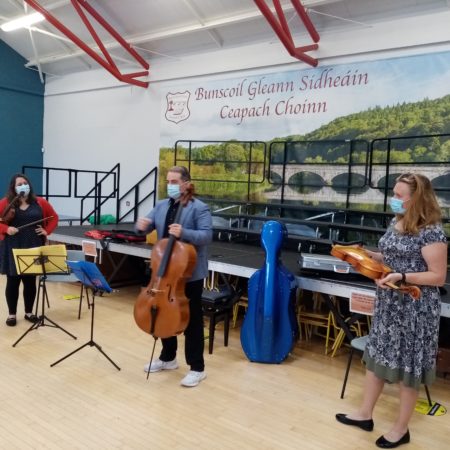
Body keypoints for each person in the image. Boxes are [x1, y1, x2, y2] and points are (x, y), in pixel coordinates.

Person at [336, 173, 447, 448]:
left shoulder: (431, 231)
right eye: (394, 193)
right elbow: (393, 256)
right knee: (378, 356)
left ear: (416, 198)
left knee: (408, 368)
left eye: (399, 195)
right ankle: (364, 414)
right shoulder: (397, 221)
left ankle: (401, 429)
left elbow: (437, 276)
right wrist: (370, 256)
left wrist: (402, 276)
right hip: (389, 304)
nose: (393, 199)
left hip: (415, 309)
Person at [135, 166, 213, 387]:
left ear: (186, 183)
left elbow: (206, 236)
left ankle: (197, 368)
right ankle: (168, 358)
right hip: (165, 271)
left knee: (192, 321)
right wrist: (141, 226)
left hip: (189, 272)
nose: (169, 185)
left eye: (174, 181)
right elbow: (145, 227)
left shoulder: (199, 208)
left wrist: (184, 232)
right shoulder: (161, 205)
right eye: (168, 181)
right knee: (162, 313)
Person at [0, 173, 59, 326]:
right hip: (13, 245)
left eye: (25, 183)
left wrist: (47, 231)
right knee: (13, 281)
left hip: (33, 244)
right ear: (13, 188)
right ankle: (12, 315)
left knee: (30, 281)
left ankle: (29, 312)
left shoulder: (40, 202)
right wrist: (6, 229)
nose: (23, 186)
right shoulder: (6, 202)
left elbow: (54, 217)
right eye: (19, 184)